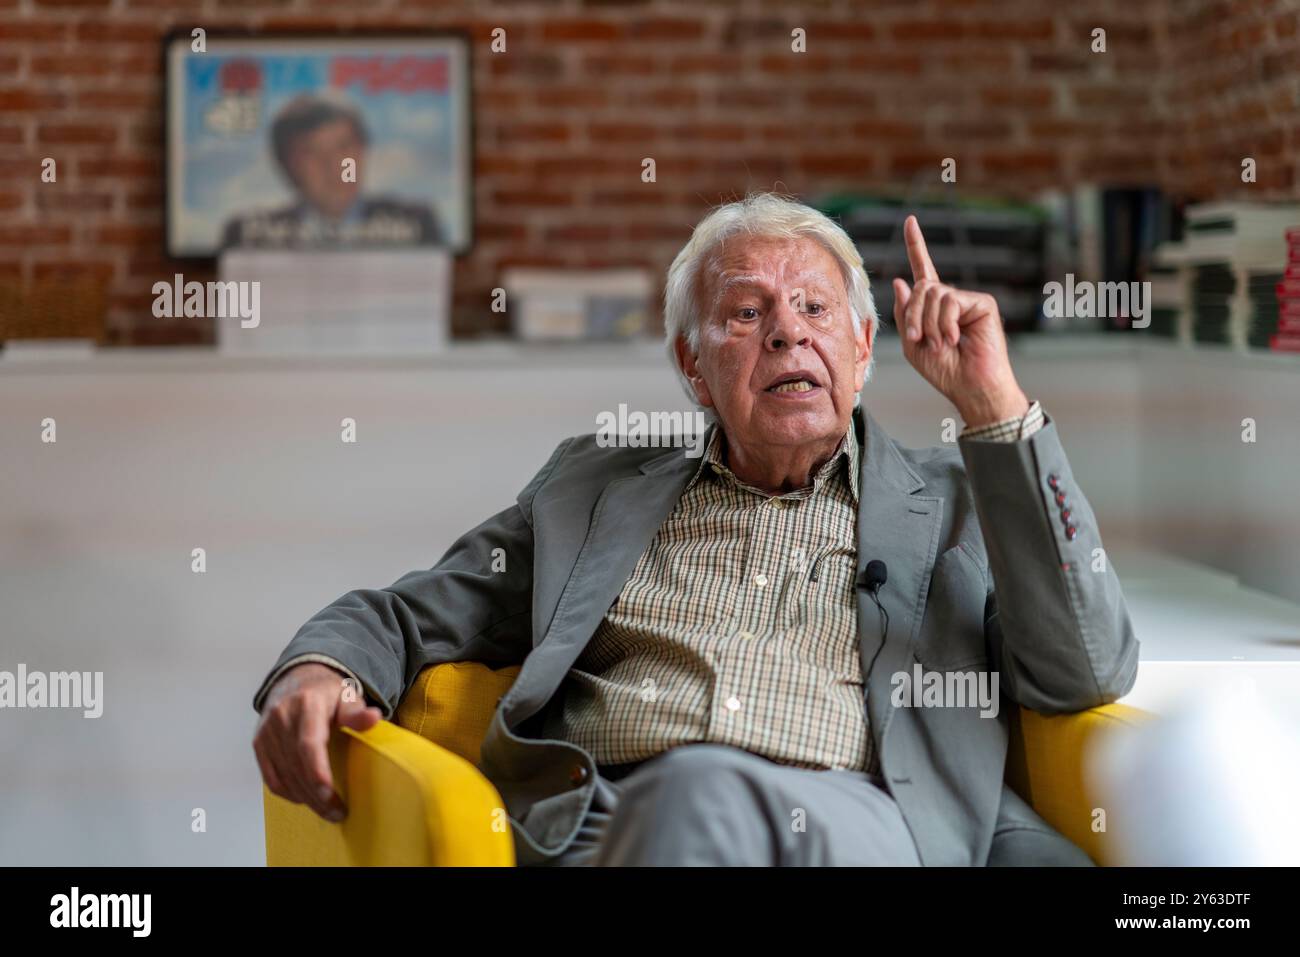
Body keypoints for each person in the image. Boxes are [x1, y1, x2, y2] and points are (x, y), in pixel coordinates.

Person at [251, 191, 1139, 866]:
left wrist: (993, 407)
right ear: (693, 366)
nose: (788, 334)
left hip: (855, 822)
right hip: (606, 824)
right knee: (687, 799)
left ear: (866, 350)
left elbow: (1083, 668)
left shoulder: (958, 499)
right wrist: (317, 666)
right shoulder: (594, 492)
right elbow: (414, 611)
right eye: (747, 314)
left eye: (817, 310)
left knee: (702, 791)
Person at [220, 94, 443, 250]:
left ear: (363, 152)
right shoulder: (246, 235)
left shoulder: (417, 223)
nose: (333, 166)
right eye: (311, 152)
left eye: (344, 147)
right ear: (287, 164)